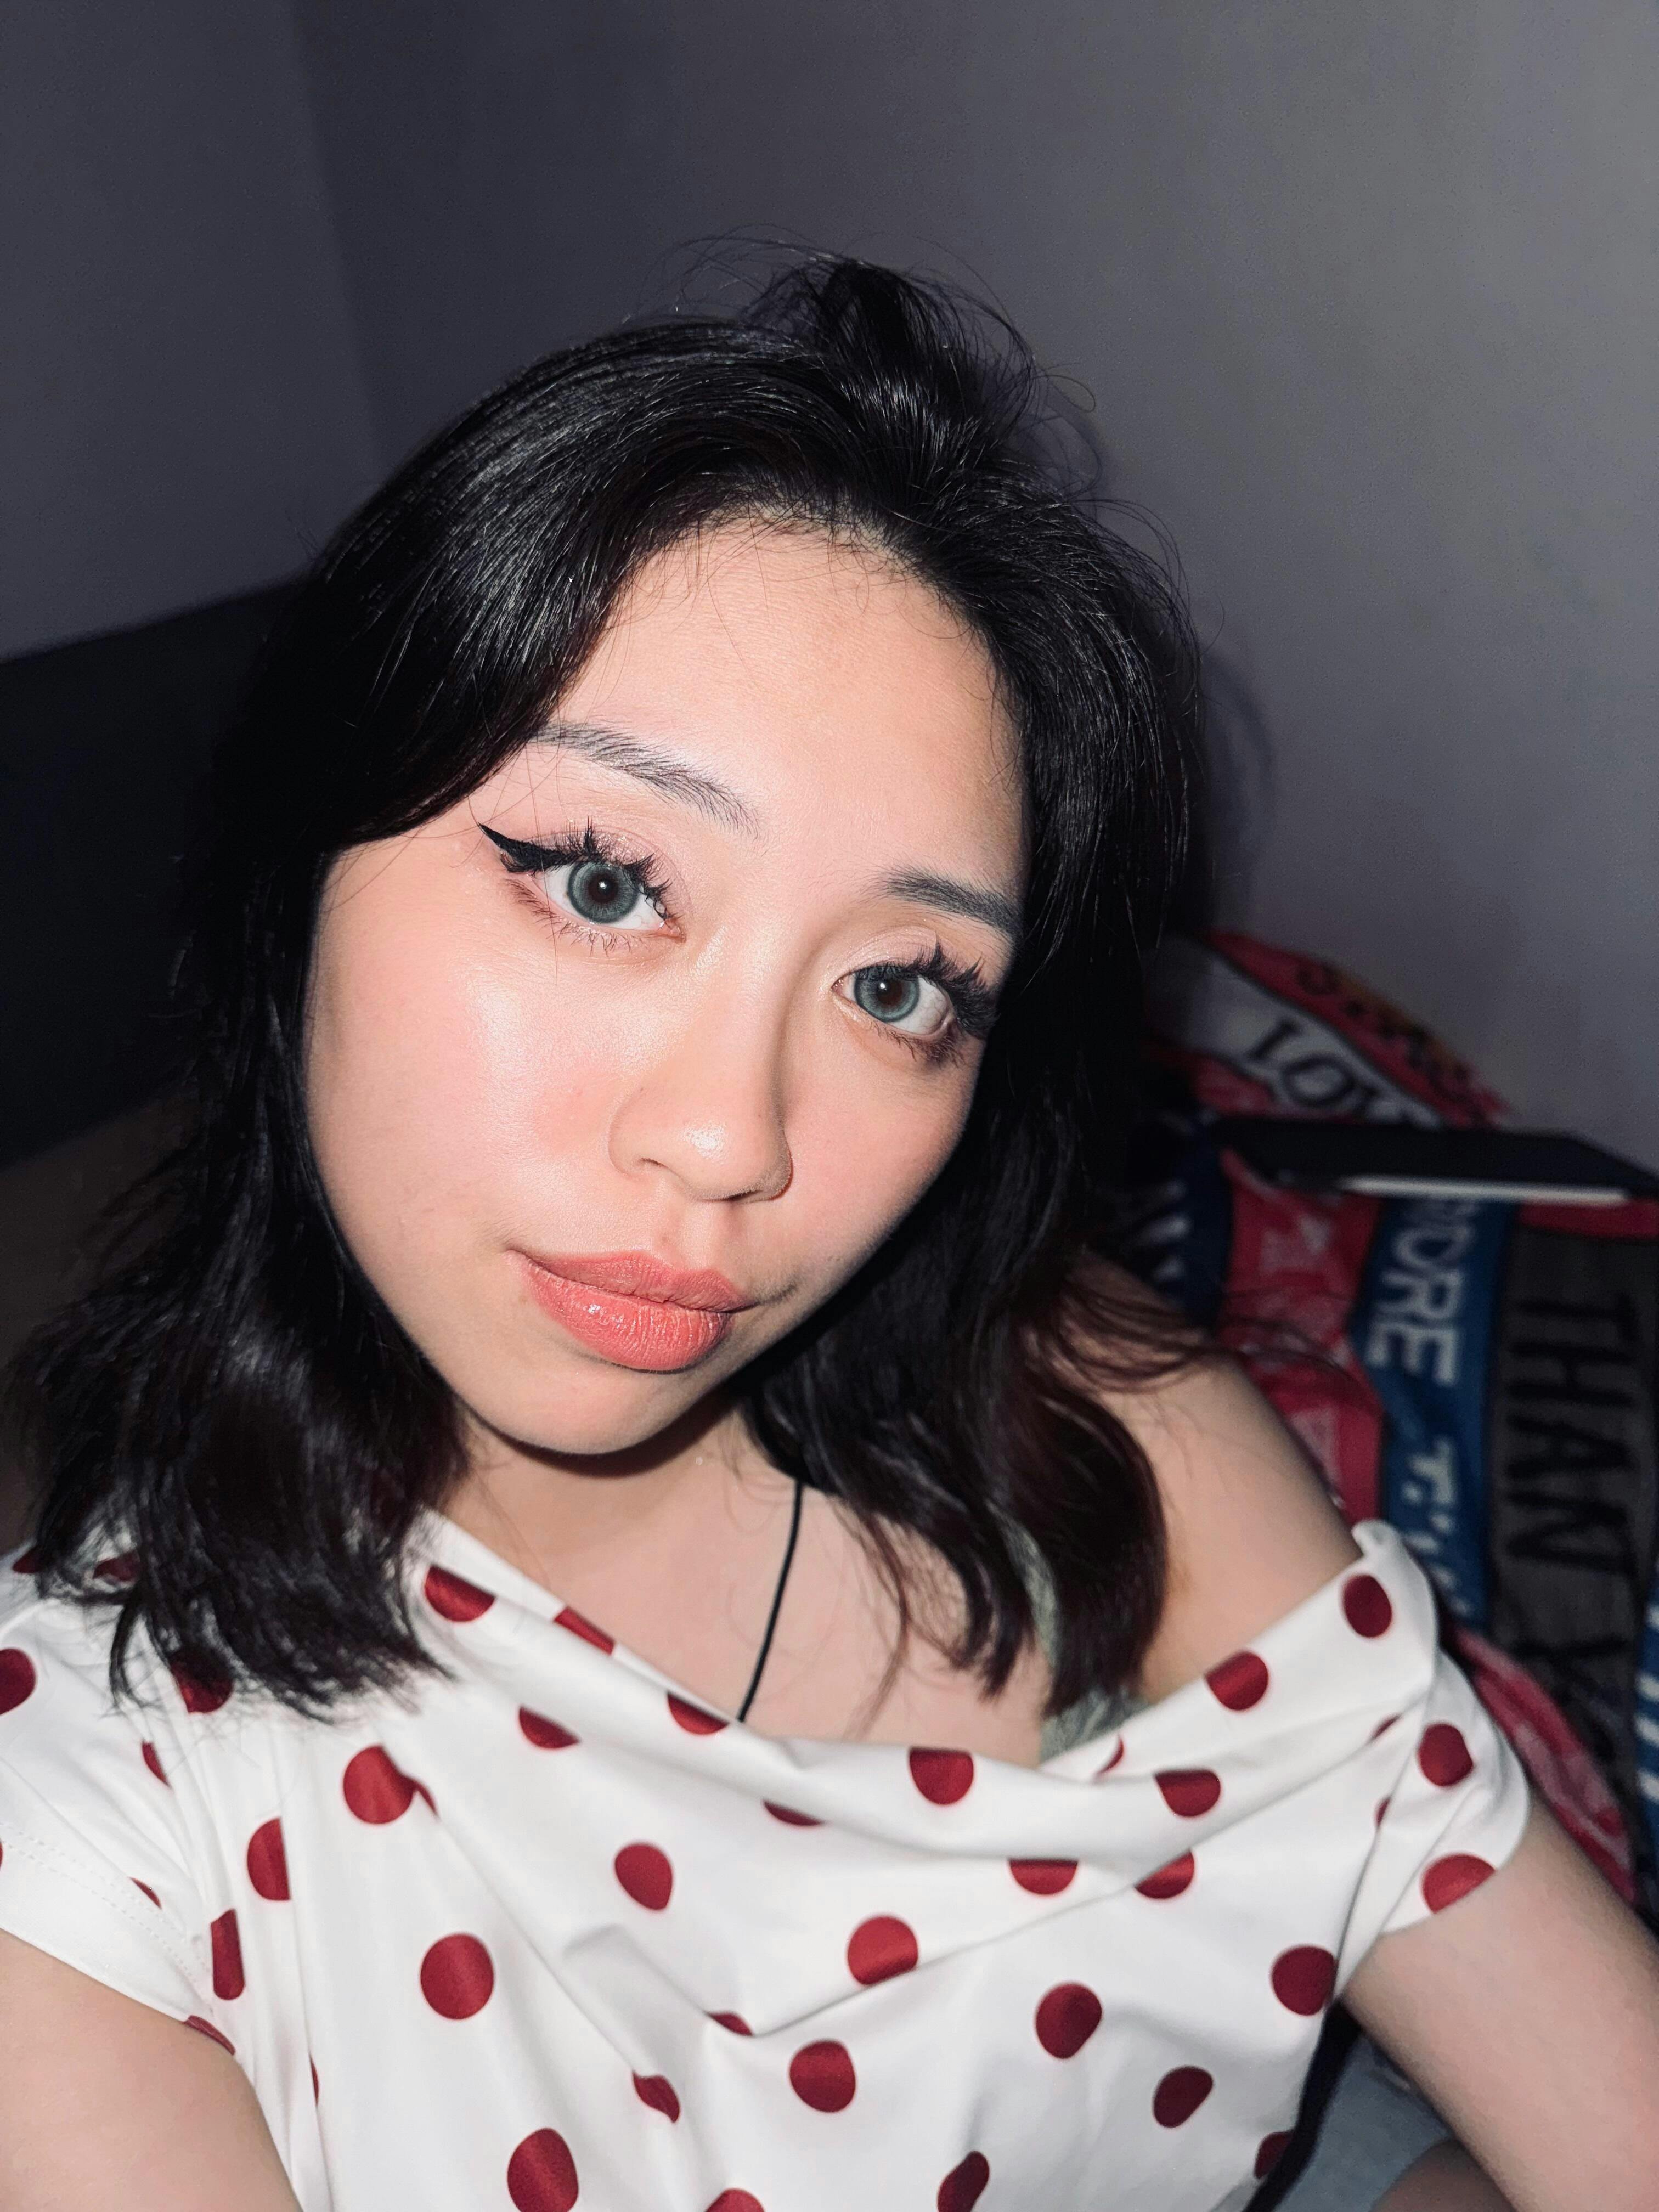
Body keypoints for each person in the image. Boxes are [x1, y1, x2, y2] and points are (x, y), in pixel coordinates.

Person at [0, 257, 1653, 2212]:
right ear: (300, 875)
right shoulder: (94, 1824)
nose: (731, 1142)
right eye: (604, 884)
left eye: (896, 988)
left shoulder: (1092, 1431)